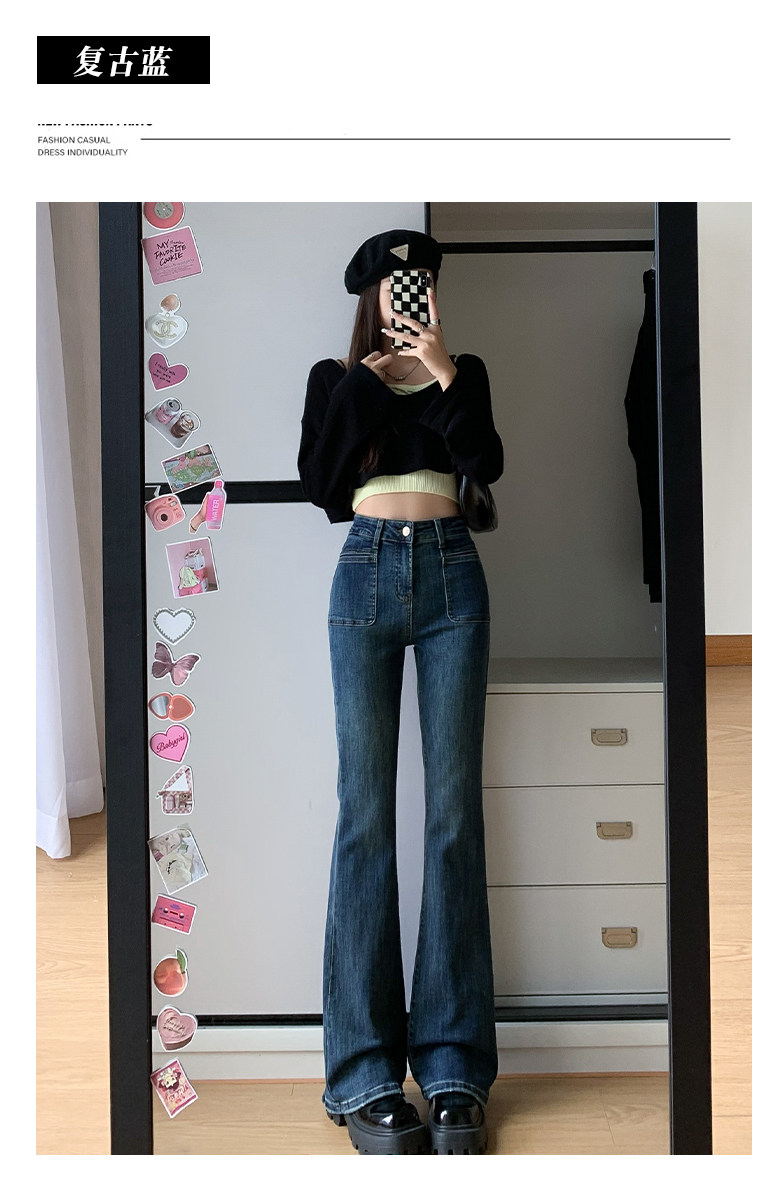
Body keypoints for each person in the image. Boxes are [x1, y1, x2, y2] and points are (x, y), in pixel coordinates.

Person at [298, 229, 504, 1155]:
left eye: (418, 279)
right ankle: (364, 1073)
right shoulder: (335, 380)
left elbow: (486, 463)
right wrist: (368, 383)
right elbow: (321, 486)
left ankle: (455, 1068)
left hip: (454, 574)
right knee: (365, 817)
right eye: (393, 281)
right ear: (371, 295)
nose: (406, 291)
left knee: (454, 816)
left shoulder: (466, 372)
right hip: (366, 573)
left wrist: (444, 370)